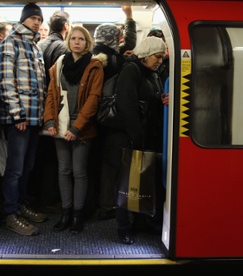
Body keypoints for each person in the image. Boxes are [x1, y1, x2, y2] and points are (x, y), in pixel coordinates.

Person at [43, 25, 104, 234]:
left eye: (81, 39)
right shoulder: (59, 64)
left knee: (79, 172)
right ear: (68, 41)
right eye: (73, 38)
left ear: (88, 43)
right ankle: (66, 213)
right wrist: (50, 121)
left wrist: (76, 128)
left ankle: (78, 215)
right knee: (63, 170)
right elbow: (51, 94)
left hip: (82, 128)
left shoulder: (94, 65)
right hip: (60, 124)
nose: (77, 42)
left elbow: (93, 100)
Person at [0, 2, 47, 236]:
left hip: (36, 118)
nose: (37, 22)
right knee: (14, 169)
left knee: (28, 167)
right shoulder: (10, 43)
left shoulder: (35, 47)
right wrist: (17, 114)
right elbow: (6, 82)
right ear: (23, 18)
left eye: (40, 19)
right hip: (20, 118)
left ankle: (21, 205)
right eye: (33, 18)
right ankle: (10, 213)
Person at [113, 36, 168, 244]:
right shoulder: (131, 70)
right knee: (125, 184)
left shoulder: (152, 74)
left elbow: (152, 101)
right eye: (157, 56)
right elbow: (126, 106)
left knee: (142, 183)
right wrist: (137, 139)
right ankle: (123, 227)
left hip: (146, 138)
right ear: (145, 54)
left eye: (162, 57)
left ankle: (140, 222)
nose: (160, 61)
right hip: (130, 138)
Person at [92, 5, 137, 221]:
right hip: (108, 119)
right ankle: (107, 205)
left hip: (90, 117)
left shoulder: (89, 56)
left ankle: (93, 203)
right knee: (109, 164)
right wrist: (129, 17)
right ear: (113, 39)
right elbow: (129, 44)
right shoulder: (117, 60)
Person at [30, 10, 70, 213]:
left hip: (37, 108)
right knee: (53, 160)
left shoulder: (39, 44)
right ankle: (49, 199)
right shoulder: (62, 47)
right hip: (53, 108)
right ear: (65, 27)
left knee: (39, 158)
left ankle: (38, 199)